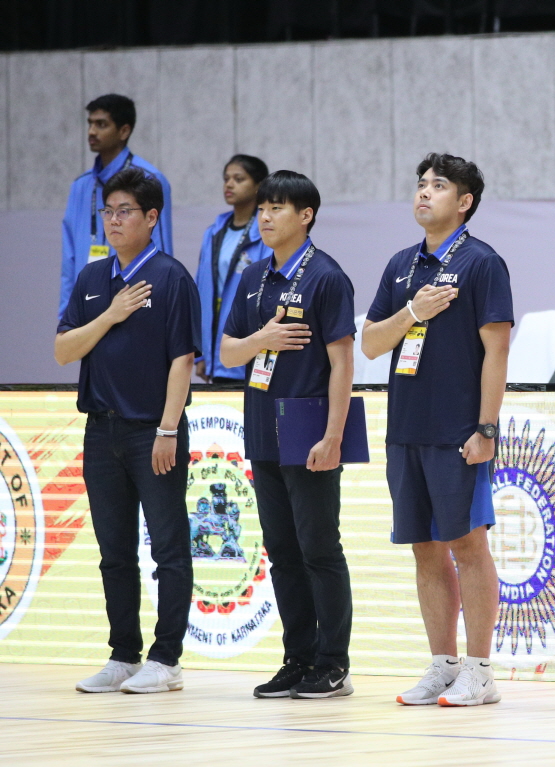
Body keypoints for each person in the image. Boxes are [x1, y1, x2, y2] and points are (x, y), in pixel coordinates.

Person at [361, 153, 512, 708]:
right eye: (421, 184)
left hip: (458, 432)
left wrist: (486, 427)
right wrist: (413, 313)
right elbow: (372, 343)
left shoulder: (482, 263)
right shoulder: (401, 265)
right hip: (405, 429)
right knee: (425, 549)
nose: (424, 193)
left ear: (464, 201)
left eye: (439, 185)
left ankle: (480, 669)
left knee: (468, 545)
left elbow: (497, 352)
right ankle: (443, 664)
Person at [55, 167, 199, 695]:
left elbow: (182, 360)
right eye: (107, 212)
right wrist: (111, 316)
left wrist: (168, 429)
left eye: (125, 212)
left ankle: (167, 660)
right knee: (114, 550)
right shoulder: (94, 280)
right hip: (101, 431)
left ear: (152, 218)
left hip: (151, 433)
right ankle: (122, 654)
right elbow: (64, 349)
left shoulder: (171, 277)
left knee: (168, 547)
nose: (113, 221)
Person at [220, 170, 357, 699]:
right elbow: (229, 352)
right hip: (262, 431)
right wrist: (264, 337)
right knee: (280, 549)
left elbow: (342, 362)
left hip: (310, 431)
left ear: (306, 216)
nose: (266, 216)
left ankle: (333, 662)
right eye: (262, 209)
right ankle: (297, 658)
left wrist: (333, 436)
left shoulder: (327, 277)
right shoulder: (252, 276)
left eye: (277, 207)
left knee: (320, 547)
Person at [61, 94, 172, 319]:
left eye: (101, 124)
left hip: (135, 308)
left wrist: (157, 315)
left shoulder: (150, 180)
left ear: (124, 131)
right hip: (88, 306)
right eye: (90, 123)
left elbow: (160, 251)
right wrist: (66, 315)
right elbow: (69, 257)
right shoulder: (80, 186)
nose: (92, 131)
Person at [196, 155, 272, 383]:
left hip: (249, 353)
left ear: (259, 186)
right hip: (214, 352)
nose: (229, 184)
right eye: (226, 178)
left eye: (239, 179)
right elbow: (202, 292)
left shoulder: (265, 233)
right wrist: (201, 353)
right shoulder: (213, 232)